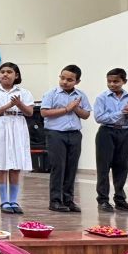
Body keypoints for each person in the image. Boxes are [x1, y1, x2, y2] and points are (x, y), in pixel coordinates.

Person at [0, 62, 34, 214]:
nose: (5, 74)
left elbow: (29, 112)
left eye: (9, 72)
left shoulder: (24, 92)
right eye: (2, 71)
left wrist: (19, 104)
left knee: (15, 166)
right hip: (0, 127)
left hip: (17, 127)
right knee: (1, 165)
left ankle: (14, 201)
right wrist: (7, 106)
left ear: (16, 75)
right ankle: (4, 201)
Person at [41, 64, 91, 213]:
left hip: (74, 134)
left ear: (77, 81)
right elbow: (44, 112)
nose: (65, 82)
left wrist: (76, 108)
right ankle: (55, 201)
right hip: (56, 134)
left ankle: (68, 200)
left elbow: (86, 115)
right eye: (62, 78)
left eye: (69, 80)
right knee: (58, 167)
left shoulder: (80, 95)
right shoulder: (51, 93)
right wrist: (67, 109)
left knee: (71, 168)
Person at [93, 68, 128, 212]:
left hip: (125, 132)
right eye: (109, 81)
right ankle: (103, 200)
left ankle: (120, 199)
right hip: (106, 132)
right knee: (104, 167)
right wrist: (120, 113)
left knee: (121, 166)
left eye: (116, 81)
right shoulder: (102, 98)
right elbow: (99, 118)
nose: (112, 84)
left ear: (124, 81)